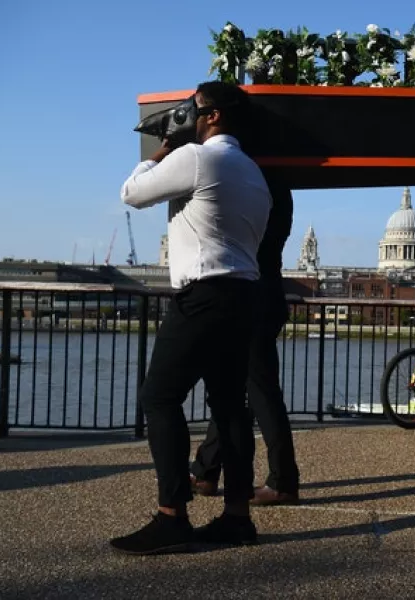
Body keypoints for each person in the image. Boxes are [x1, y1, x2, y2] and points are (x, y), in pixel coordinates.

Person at [110, 81, 271, 555]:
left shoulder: (199, 158)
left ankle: (172, 516)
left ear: (214, 116)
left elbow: (132, 194)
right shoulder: (253, 173)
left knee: (159, 398)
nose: (185, 117)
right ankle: (237, 518)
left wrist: (162, 150)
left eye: (191, 110)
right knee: (228, 406)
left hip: (202, 294)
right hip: (244, 295)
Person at [190, 178, 301, 506]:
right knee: (236, 389)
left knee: (261, 393)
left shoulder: (252, 188)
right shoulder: (277, 192)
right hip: (266, 295)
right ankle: (206, 470)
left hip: (249, 297)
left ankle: (283, 480)